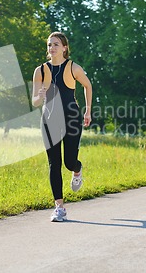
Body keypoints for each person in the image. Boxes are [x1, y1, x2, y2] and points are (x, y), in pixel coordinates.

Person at [32, 32, 92, 221]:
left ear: (64, 48)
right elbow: (34, 101)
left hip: (71, 118)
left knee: (68, 162)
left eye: (56, 44)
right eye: (50, 45)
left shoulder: (73, 67)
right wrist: (40, 96)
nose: (52, 48)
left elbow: (88, 86)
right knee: (54, 163)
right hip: (49, 120)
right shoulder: (40, 71)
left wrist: (88, 110)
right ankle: (59, 207)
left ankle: (77, 168)